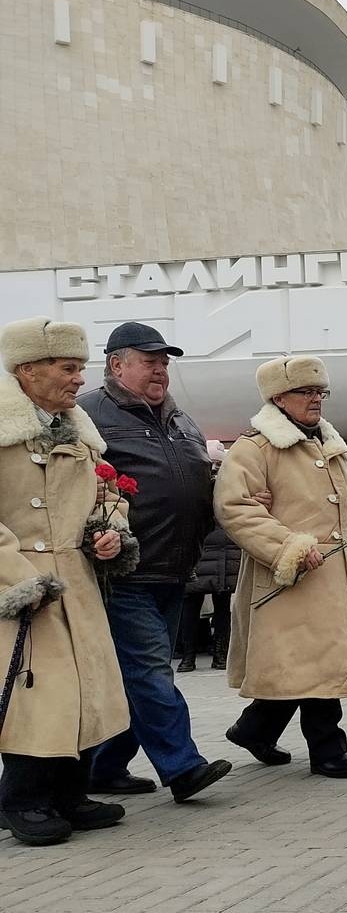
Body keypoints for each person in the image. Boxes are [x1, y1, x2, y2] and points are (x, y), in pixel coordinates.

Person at [78, 322, 231, 803]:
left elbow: (197, 479)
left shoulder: (178, 418)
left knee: (138, 674)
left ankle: (104, 767)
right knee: (148, 670)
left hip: (174, 567)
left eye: (164, 361)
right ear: (116, 364)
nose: (161, 368)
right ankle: (182, 767)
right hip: (123, 570)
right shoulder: (89, 414)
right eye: (150, 360)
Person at [0, 317, 134, 846]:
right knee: (37, 692)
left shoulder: (81, 435)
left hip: (76, 582)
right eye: (67, 368)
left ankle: (69, 793)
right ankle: (22, 800)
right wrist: (18, 579)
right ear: (27, 370)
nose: (80, 379)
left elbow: (109, 500)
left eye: (81, 368)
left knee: (85, 688)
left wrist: (112, 535)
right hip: (22, 586)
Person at [214, 356, 347, 779]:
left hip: (335, 573)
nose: (316, 400)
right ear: (279, 398)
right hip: (290, 575)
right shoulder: (255, 448)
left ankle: (253, 729)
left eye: (320, 392)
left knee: (307, 662)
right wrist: (288, 547)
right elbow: (235, 507)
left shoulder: (331, 444)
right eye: (306, 392)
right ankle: (327, 750)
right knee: (310, 662)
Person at [179, 445, 240, 674]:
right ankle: (220, 655)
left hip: (200, 550)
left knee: (191, 608)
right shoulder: (227, 487)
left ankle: (188, 657)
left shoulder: (192, 486)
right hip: (223, 552)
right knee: (222, 608)